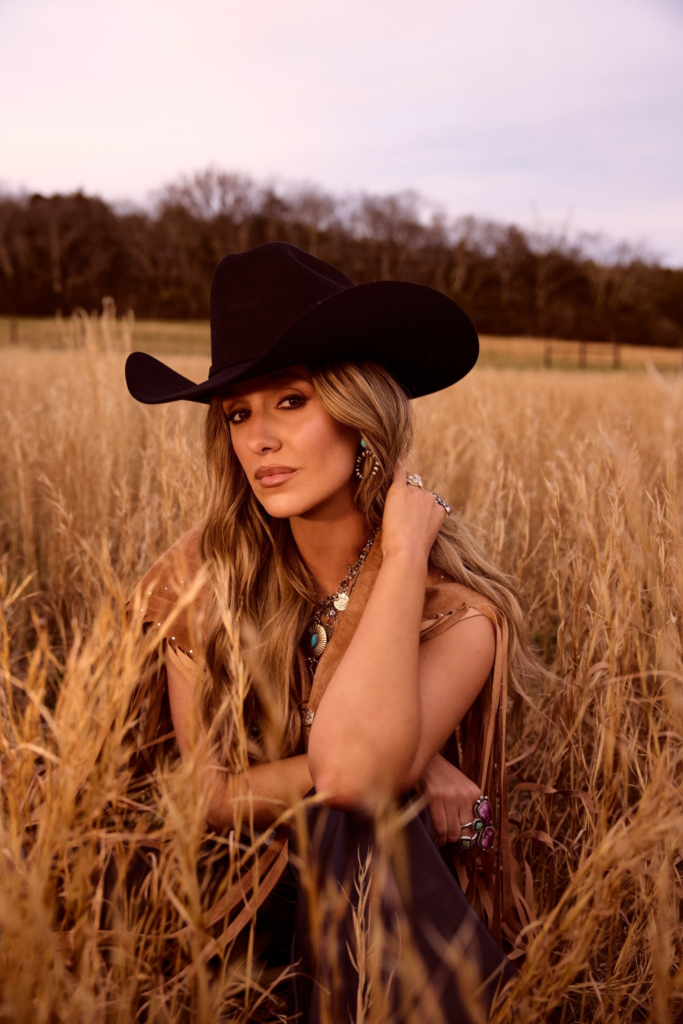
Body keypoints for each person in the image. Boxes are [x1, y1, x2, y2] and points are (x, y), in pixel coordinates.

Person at [125, 242, 537, 1021]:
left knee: (362, 818)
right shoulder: (201, 580)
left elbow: (348, 777)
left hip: (368, 916)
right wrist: (411, 766)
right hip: (224, 904)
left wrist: (403, 554)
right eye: (238, 413)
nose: (258, 438)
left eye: (290, 401)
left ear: (362, 417)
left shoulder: (457, 614)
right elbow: (208, 796)